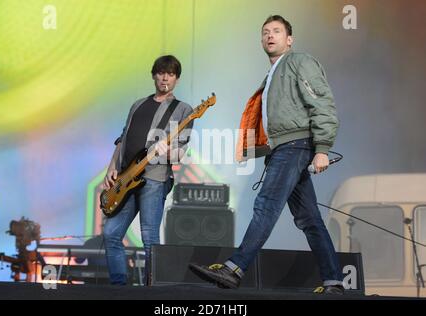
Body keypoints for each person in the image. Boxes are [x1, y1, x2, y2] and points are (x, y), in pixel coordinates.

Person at [189, 15, 344, 294]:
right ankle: (334, 281)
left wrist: (321, 149)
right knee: (309, 219)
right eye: (265, 32)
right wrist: (253, 149)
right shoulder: (272, 74)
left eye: (276, 31)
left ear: (289, 39)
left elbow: (323, 104)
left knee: (266, 205)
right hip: (283, 148)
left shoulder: (299, 62)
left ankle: (235, 269)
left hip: (295, 146)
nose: (270, 36)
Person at [103, 55, 193, 285]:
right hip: (126, 177)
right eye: (161, 72)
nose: (165, 77)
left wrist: (166, 149)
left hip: (154, 178)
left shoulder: (183, 110)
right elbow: (122, 138)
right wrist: (111, 168)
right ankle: (118, 287)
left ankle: (152, 290)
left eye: (171, 74)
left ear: (177, 79)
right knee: (111, 234)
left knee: (149, 236)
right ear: (154, 75)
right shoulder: (138, 104)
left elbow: (180, 154)